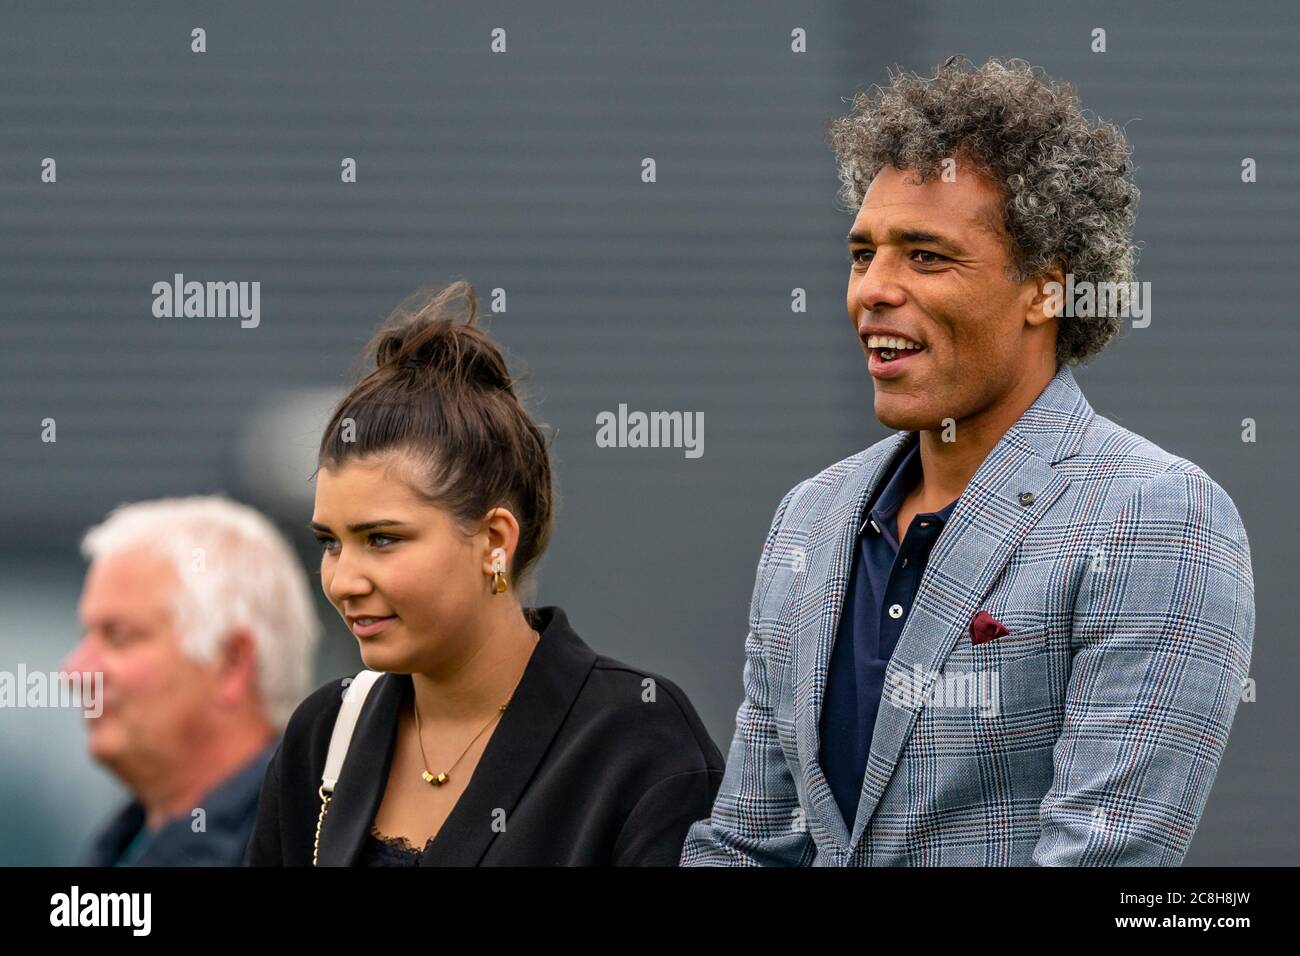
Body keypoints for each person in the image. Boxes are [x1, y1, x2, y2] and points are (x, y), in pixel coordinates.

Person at [681, 56, 1255, 866]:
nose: (871, 290)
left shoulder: (1157, 517)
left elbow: (1099, 861)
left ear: (1047, 292)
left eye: (925, 256)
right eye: (861, 253)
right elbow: (747, 844)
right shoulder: (809, 516)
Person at [245, 281, 723, 866]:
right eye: (331, 543)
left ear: (494, 541)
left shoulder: (639, 744)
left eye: (382, 539)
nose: (344, 581)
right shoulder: (322, 736)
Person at [68, 496, 321, 865]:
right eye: (85, 636)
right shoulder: (123, 844)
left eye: (119, 637)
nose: (75, 671)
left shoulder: (313, 848)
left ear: (232, 663)